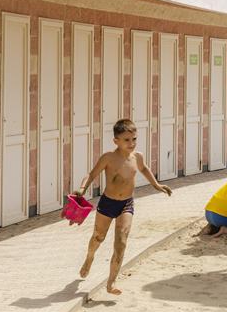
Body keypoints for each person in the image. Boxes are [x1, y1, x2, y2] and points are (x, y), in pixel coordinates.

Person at [74, 119, 172, 295]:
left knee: (121, 242)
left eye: (134, 139)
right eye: (126, 140)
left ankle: (111, 282)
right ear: (116, 141)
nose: (131, 143)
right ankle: (89, 257)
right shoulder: (108, 158)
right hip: (108, 203)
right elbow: (91, 175)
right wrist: (82, 189)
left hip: (126, 204)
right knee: (98, 237)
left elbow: (144, 169)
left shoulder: (137, 157)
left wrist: (157, 185)